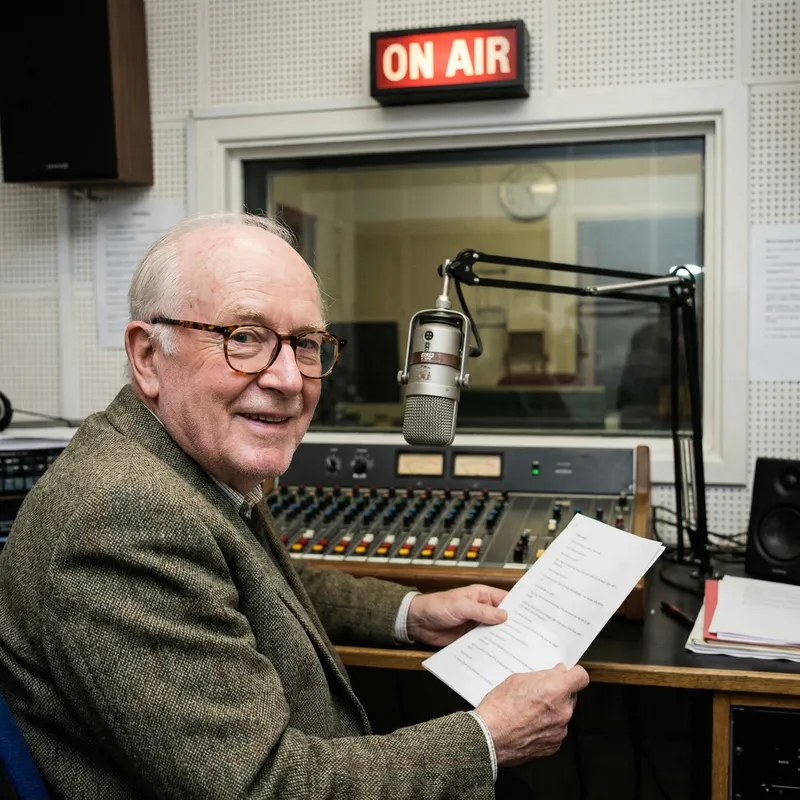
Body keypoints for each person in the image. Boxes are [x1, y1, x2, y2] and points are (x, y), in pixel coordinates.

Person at [0, 213, 589, 799]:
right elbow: (266, 788)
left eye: (305, 344)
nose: (288, 378)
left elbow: (258, 580)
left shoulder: (178, 469)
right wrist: (488, 738)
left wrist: (410, 612)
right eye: (244, 337)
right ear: (148, 356)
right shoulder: (123, 514)